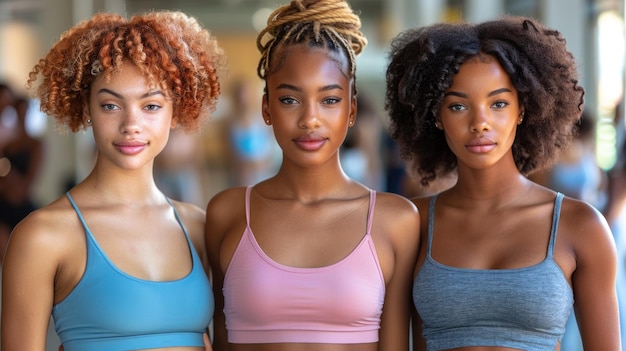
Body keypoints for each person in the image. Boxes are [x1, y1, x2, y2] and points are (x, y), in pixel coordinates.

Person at [385, 16, 621, 351]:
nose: (480, 123)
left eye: (498, 103)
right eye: (457, 105)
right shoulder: (413, 223)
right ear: (435, 116)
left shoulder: (580, 226)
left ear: (522, 109)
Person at [1, 10, 226, 351]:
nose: (130, 125)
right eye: (110, 105)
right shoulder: (43, 235)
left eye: (151, 106)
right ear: (85, 108)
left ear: (176, 112)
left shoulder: (198, 226)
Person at [204, 0, 420, 350]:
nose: (310, 120)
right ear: (266, 108)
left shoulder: (395, 221)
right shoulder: (227, 214)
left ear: (351, 110)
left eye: (329, 100)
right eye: (290, 99)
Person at [0, 96, 44, 261]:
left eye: (24, 111)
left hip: (23, 203)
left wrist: (7, 173)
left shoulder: (35, 144)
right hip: (4, 203)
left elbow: (28, 183)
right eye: (18, 112)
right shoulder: (6, 145)